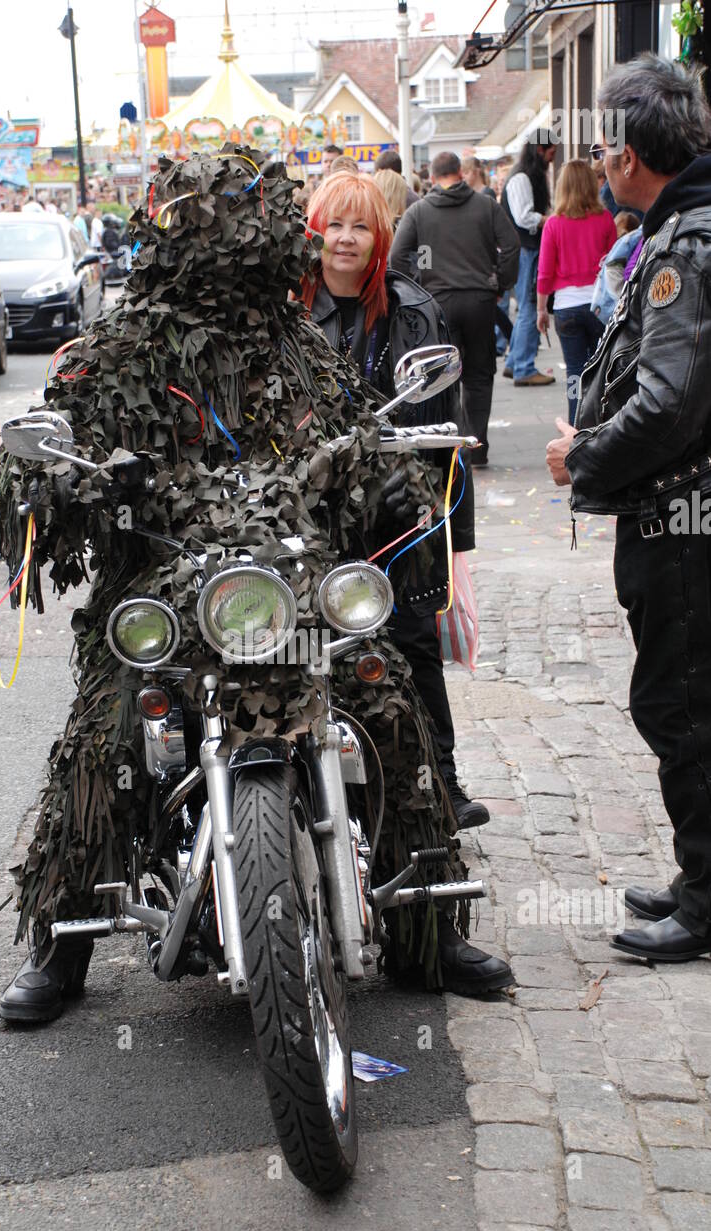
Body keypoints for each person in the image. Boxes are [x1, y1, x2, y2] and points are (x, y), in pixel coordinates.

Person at [0, 150, 508, 1020]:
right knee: (107, 733)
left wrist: (384, 480)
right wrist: (61, 483)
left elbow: (363, 432)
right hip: (166, 576)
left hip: (289, 577)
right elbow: (47, 442)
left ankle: (431, 925)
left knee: (386, 701)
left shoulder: (300, 343)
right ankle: (65, 937)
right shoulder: (125, 344)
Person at [300, 170, 512, 991]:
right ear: (312, 232)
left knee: (415, 699)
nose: (346, 240)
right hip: (302, 542)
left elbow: (448, 453)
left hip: (396, 544)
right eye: (332, 226)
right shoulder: (279, 316)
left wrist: (456, 562)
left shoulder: (414, 311)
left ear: (381, 232)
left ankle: (430, 921)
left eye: (360, 226)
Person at [546, 54, 711, 964]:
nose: (602, 158)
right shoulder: (682, 225)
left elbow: (671, 404)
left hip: (687, 523)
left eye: (610, 142)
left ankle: (706, 900)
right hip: (685, 518)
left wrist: (584, 456)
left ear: (636, 156)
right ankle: (700, 877)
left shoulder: (684, 246)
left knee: (681, 706)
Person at [390, 150, 520, 469]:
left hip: (438, 303)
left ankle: (448, 446)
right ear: (461, 173)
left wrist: (420, 281)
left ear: (433, 178)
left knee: (440, 378)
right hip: (479, 300)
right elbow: (512, 246)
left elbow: (397, 256)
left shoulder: (419, 212)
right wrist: (500, 283)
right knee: (478, 376)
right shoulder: (486, 206)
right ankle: (478, 447)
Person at [536, 159, 617, 424]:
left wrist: (540, 309)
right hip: (599, 306)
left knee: (574, 373)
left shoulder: (554, 224)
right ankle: (601, 425)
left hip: (566, 307)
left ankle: (575, 427)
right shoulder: (605, 219)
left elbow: (545, 272)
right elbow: (613, 266)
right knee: (601, 371)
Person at [502, 130, 558, 386]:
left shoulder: (527, 175)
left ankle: (515, 362)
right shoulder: (522, 178)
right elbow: (524, 217)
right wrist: (551, 220)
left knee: (527, 305)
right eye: (550, 152)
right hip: (526, 249)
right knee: (529, 307)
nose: (552, 158)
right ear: (539, 150)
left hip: (525, 248)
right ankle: (524, 367)